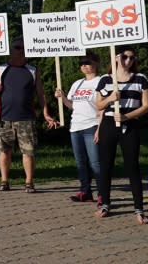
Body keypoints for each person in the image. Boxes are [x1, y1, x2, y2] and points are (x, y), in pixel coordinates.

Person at [0, 38, 57, 192]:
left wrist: (46, 114)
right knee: (4, 151)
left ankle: (29, 182)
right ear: (11, 50)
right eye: (18, 47)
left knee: (28, 152)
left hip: (26, 119)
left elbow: (40, 94)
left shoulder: (32, 70)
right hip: (4, 118)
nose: (21, 50)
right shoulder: (0, 69)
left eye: (25, 48)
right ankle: (4, 181)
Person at [94, 45, 148, 224]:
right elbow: (98, 105)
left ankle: (139, 209)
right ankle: (104, 204)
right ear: (117, 57)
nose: (128, 61)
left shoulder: (140, 79)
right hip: (109, 125)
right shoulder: (105, 79)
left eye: (132, 58)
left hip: (130, 125)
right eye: (125, 57)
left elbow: (146, 106)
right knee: (106, 166)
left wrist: (127, 116)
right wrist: (111, 98)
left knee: (132, 167)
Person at [55, 52, 102, 203]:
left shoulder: (102, 81)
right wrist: (63, 98)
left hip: (92, 125)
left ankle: (102, 194)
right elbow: (72, 106)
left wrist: (100, 128)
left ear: (96, 63)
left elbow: (104, 107)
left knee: (95, 163)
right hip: (76, 127)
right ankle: (85, 191)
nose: (84, 65)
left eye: (87, 62)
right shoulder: (77, 83)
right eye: (81, 63)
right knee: (80, 162)